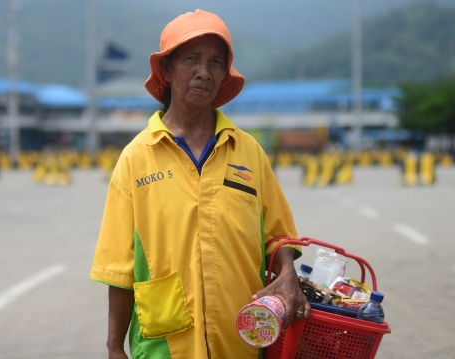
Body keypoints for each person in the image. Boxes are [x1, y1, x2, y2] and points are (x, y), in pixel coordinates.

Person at [90, 9, 311, 359]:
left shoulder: (248, 152)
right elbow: (119, 267)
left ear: (225, 73)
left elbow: (279, 234)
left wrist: (287, 271)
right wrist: (114, 347)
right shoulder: (136, 157)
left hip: (243, 337)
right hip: (165, 343)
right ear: (166, 69)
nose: (204, 73)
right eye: (191, 59)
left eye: (216, 62)